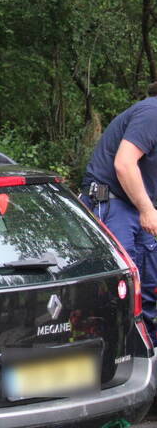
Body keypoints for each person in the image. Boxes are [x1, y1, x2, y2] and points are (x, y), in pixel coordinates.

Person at [81, 84, 157, 343]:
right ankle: (114, 355)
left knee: (147, 289)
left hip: (137, 206)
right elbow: (124, 164)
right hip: (113, 203)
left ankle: (147, 355)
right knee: (122, 287)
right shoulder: (152, 112)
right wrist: (148, 210)